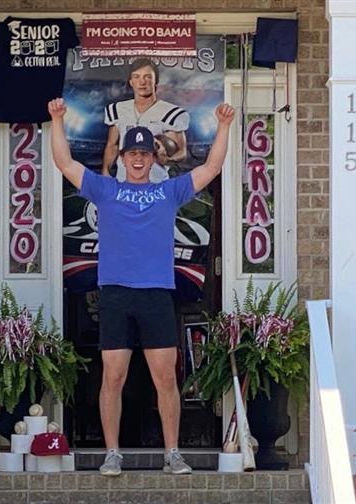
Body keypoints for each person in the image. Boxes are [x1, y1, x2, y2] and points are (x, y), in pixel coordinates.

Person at [48, 97, 235, 477]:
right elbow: (64, 163)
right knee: (112, 376)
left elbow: (212, 167)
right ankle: (112, 453)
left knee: (165, 378)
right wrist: (56, 120)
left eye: (144, 153)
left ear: (153, 159)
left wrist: (225, 126)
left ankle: (172, 454)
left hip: (155, 294)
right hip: (116, 293)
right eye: (131, 152)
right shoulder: (105, 189)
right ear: (122, 157)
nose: (137, 159)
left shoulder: (168, 192)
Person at [101, 58, 190, 183]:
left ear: (156, 82)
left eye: (148, 77)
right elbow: (112, 145)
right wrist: (105, 173)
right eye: (137, 77)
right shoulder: (117, 109)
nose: (142, 82)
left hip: (156, 182)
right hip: (124, 181)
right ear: (131, 82)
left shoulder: (170, 113)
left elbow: (182, 153)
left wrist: (167, 160)